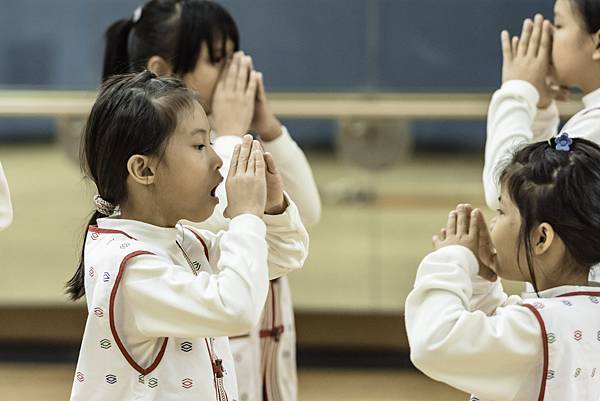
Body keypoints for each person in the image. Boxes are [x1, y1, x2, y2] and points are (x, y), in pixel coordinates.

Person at [102, 2, 321, 400]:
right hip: (230, 347)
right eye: (217, 59)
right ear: (162, 70)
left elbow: (294, 236)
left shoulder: (188, 225)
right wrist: (233, 139)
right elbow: (221, 238)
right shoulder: (132, 256)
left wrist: (267, 138)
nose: (235, 72)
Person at [67, 71, 309, 401]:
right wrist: (245, 215)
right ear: (144, 170)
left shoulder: (183, 240)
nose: (217, 159)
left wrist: (272, 206)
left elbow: (283, 254)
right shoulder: (128, 268)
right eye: (199, 145)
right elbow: (236, 309)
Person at [407, 136, 600, 400]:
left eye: (501, 211)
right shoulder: (574, 314)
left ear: (541, 238)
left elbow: (434, 344)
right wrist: (480, 281)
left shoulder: (535, 329)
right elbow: (496, 350)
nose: (492, 223)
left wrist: (452, 259)